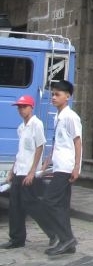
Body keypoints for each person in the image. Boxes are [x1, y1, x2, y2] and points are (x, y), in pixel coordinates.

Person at [27, 80, 82, 256]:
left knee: (49, 201)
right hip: (58, 166)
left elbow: (78, 142)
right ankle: (68, 243)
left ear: (68, 96)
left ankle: (66, 238)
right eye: (52, 94)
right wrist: (47, 162)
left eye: (57, 94)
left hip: (66, 167)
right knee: (62, 205)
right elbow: (58, 142)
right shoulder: (58, 117)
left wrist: (77, 167)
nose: (53, 97)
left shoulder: (70, 117)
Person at [2, 95, 46, 249]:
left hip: (29, 173)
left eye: (24, 107)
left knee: (33, 206)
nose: (21, 110)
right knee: (14, 207)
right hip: (19, 171)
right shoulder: (21, 128)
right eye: (19, 107)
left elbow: (40, 147)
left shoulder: (37, 124)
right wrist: (12, 170)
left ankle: (55, 234)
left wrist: (33, 171)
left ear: (31, 107)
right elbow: (20, 152)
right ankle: (16, 239)